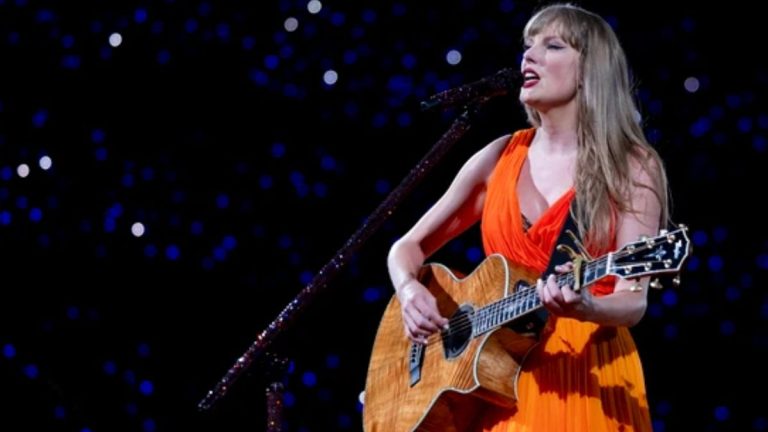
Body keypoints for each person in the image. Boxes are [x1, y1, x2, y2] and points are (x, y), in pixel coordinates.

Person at [387, 3, 668, 431]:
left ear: (590, 70)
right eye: (528, 45)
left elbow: (633, 300)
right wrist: (409, 292)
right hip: (493, 380)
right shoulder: (499, 156)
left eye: (552, 46)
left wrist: (587, 306)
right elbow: (406, 247)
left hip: (584, 373)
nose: (529, 56)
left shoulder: (630, 165)